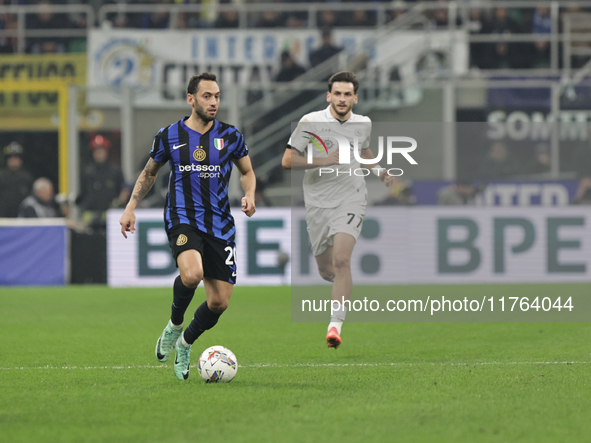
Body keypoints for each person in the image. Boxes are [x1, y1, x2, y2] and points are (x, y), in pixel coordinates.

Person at [119, 72, 256, 381]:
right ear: (191, 99)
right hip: (183, 217)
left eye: (218, 96)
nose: (214, 102)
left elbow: (247, 171)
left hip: (220, 225)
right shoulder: (168, 135)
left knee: (218, 303)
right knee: (191, 274)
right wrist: (131, 206)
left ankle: (185, 342)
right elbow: (149, 172)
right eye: (207, 96)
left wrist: (249, 194)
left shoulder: (231, 135)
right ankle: (174, 324)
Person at [281, 71, 394, 350]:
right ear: (328, 96)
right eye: (338, 94)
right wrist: (322, 159)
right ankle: (338, 285)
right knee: (327, 270)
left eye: (348, 94)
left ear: (355, 97)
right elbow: (287, 160)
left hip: (352, 197)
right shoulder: (310, 122)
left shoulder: (363, 123)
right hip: (318, 202)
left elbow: (363, 150)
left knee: (343, 261)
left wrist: (380, 171)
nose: (342, 99)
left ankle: (335, 324)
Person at [78, 134, 124, 232]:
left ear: (106, 152)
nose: (99, 154)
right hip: (90, 218)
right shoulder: (87, 172)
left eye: (101, 151)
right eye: (96, 151)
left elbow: (122, 192)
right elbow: (82, 193)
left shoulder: (115, 171)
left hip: (111, 217)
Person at [0, 141, 34, 218]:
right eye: (11, 158)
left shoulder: (26, 178)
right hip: (2, 217)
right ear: (7, 160)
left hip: (21, 217)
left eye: (16, 157)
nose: (14, 160)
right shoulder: (1, 176)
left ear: (20, 160)